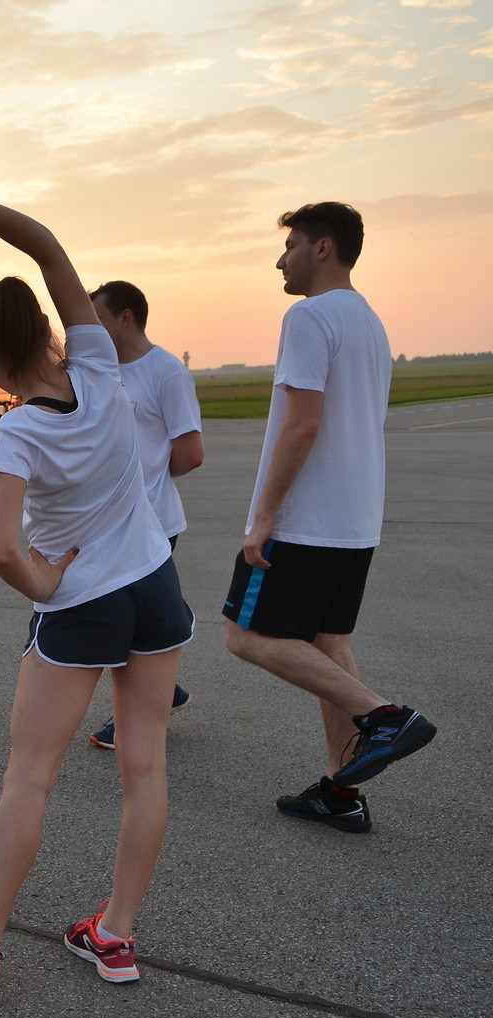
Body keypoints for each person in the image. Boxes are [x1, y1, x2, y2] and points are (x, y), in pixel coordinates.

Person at [0, 176, 193, 997]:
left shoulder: (17, 431)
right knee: (146, 766)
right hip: (155, 584)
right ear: (48, 327)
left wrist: (44, 579)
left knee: (30, 775)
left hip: (83, 602)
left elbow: (2, 549)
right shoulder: (99, 365)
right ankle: (115, 935)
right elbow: (48, 249)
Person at [222, 202, 435, 833]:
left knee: (244, 636)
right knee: (329, 644)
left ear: (322, 248)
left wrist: (264, 516)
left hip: (307, 519)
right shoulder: (370, 321)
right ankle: (342, 792)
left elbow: (304, 424)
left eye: (290, 245)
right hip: (356, 517)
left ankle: (386, 716)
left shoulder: (309, 315)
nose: (280, 260)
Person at [85, 280, 204, 749]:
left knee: (124, 621)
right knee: (128, 618)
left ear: (125, 317)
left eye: (97, 319)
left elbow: (190, 452)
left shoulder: (166, 371)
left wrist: (148, 478)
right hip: (106, 522)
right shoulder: (98, 371)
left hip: (154, 521)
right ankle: (165, 691)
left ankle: (133, 718)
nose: (89, 328)